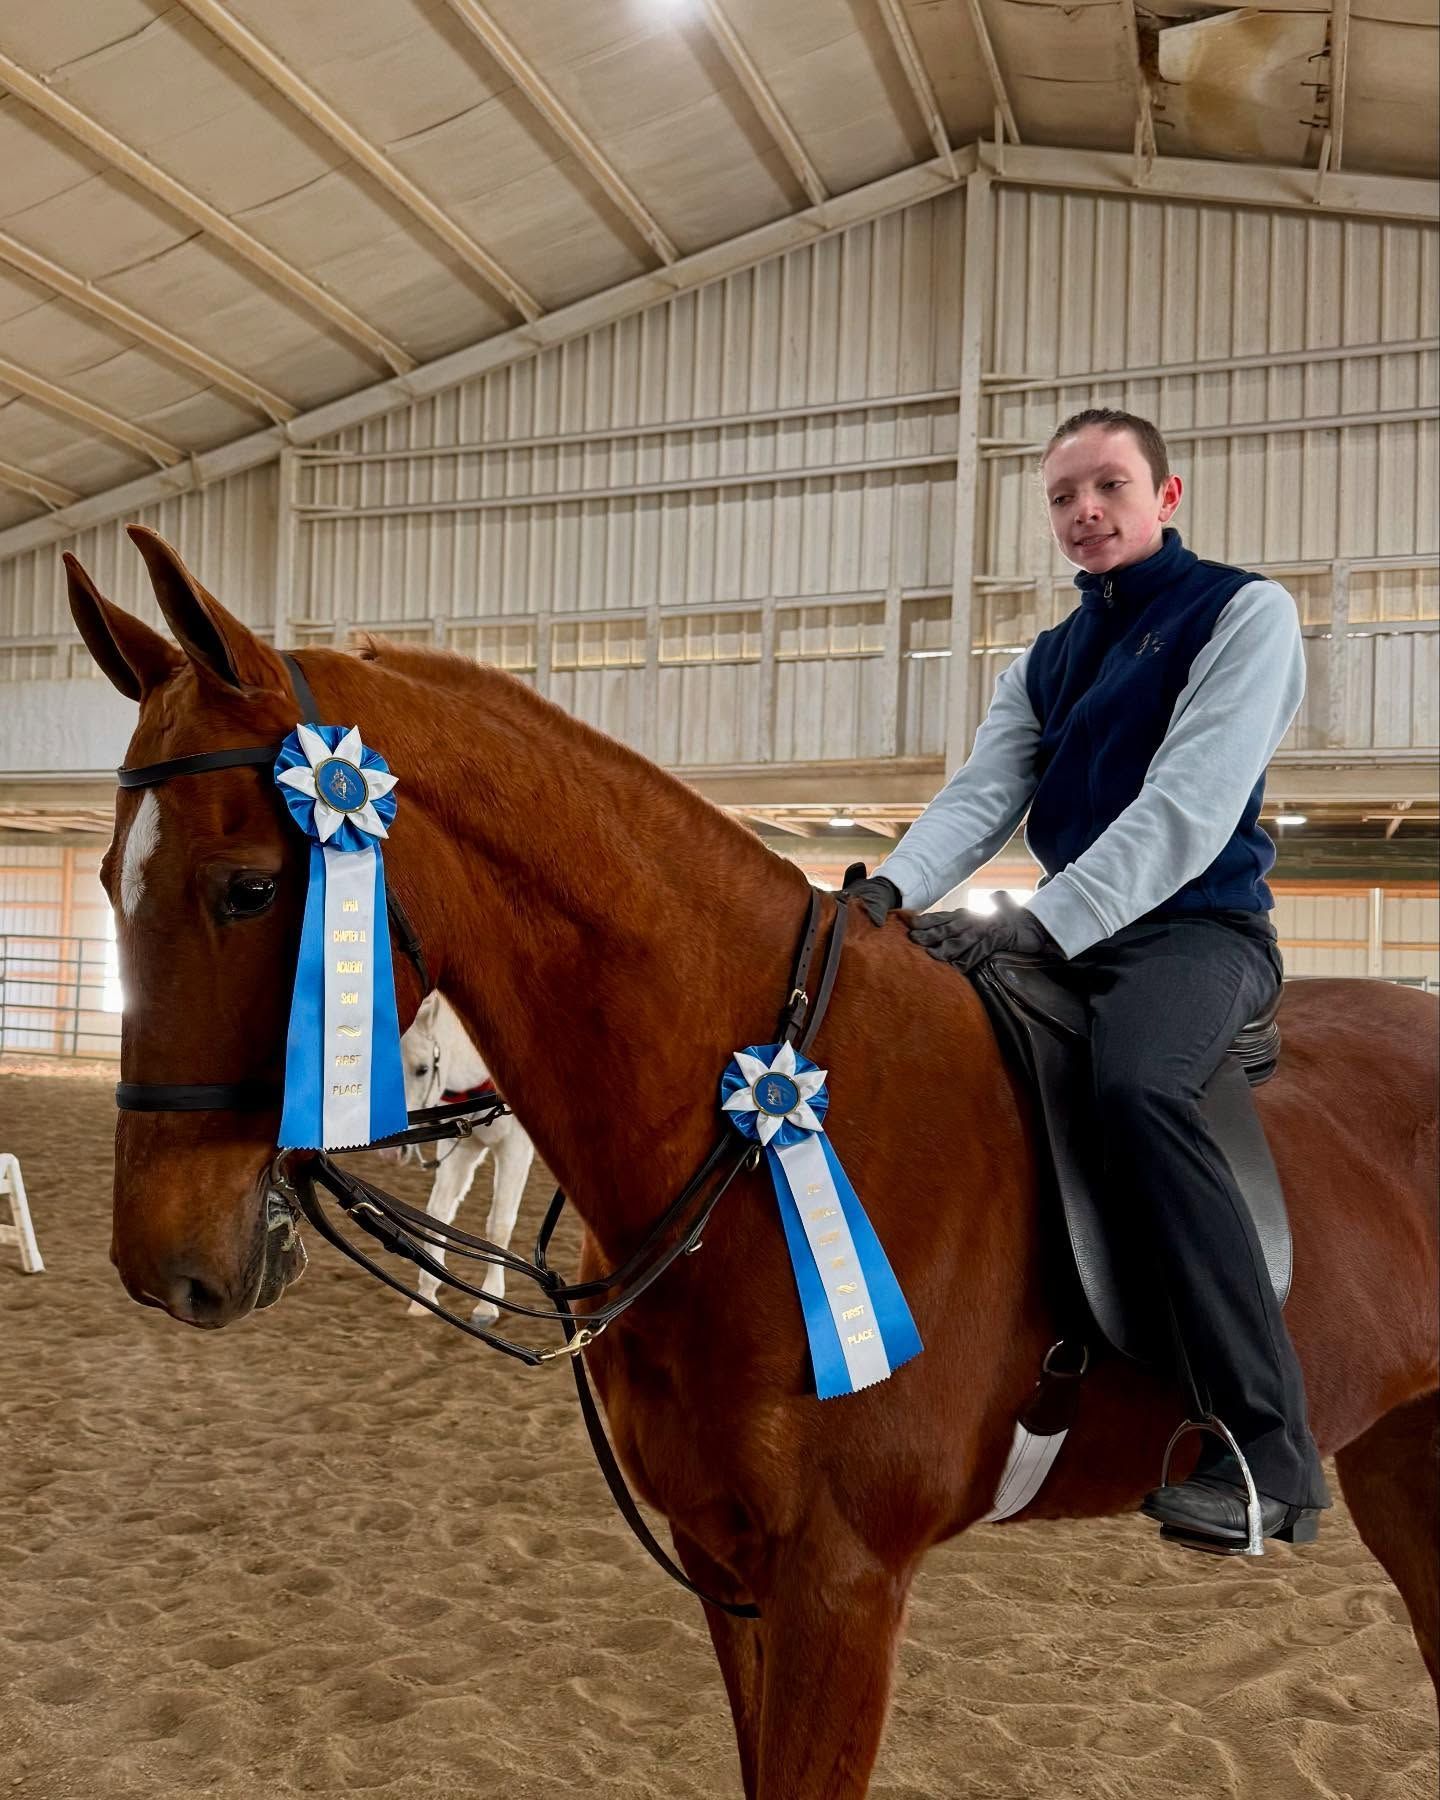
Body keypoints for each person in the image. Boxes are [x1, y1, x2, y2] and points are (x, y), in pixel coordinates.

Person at [843, 407, 1329, 1552]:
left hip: (1195, 931)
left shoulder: (1241, 613)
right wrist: (892, 894)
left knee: (1135, 1091)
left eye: (1108, 487)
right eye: (1063, 497)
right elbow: (982, 793)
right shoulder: (1047, 658)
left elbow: (1190, 807)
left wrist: (1038, 926)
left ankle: (1268, 1447)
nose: (1084, 512)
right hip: (1075, 931)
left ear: (1165, 497)